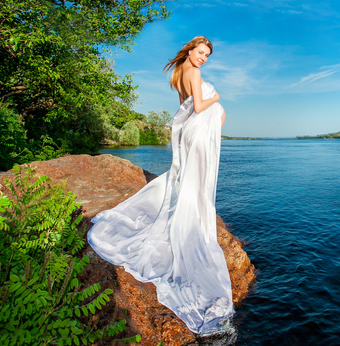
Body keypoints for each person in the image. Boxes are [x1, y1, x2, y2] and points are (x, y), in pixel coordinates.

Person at [87, 36, 234, 336]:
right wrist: (217, 99)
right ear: (190, 50)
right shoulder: (194, 73)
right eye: (200, 52)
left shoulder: (179, 72)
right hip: (197, 133)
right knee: (198, 179)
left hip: (190, 133)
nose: (203, 58)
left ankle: (190, 203)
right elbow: (200, 106)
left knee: (186, 178)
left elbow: (184, 108)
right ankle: (193, 211)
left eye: (207, 55)